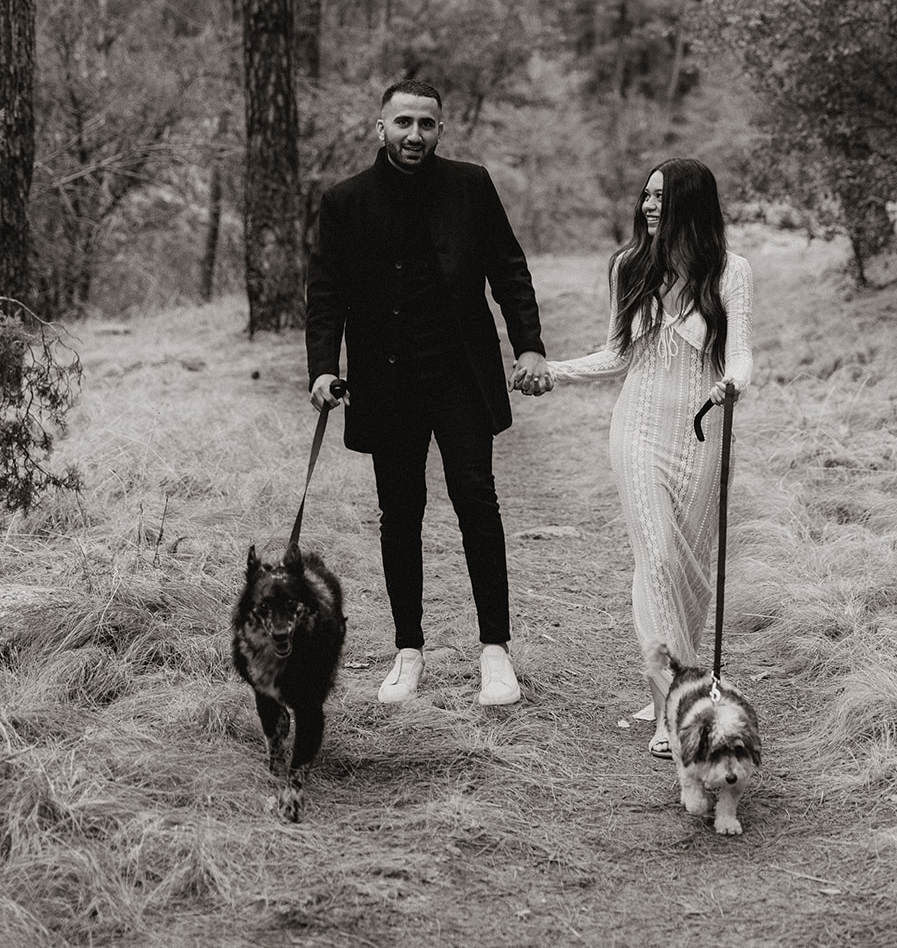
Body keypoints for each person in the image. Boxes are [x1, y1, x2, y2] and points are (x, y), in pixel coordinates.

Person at [305, 80, 551, 708]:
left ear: (441, 130)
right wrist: (322, 369)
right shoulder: (345, 201)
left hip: (460, 374)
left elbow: (508, 267)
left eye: (427, 125)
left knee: (477, 500)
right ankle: (407, 651)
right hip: (385, 382)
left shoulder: (470, 185)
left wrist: (528, 345)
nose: (415, 135)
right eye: (404, 123)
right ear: (379, 126)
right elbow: (326, 292)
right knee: (400, 513)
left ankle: (495, 652)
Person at [518, 158, 752, 757]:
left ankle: (682, 679)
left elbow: (741, 353)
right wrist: (555, 370)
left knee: (692, 571)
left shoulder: (731, 272)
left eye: (661, 198)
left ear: (690, 206)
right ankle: (673, 703)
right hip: (640, 428)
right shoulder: (629, 267)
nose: (648, 206)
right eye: (645, 196)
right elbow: (619, 354)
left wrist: (734, 383)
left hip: (702, 431)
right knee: (656, 557)